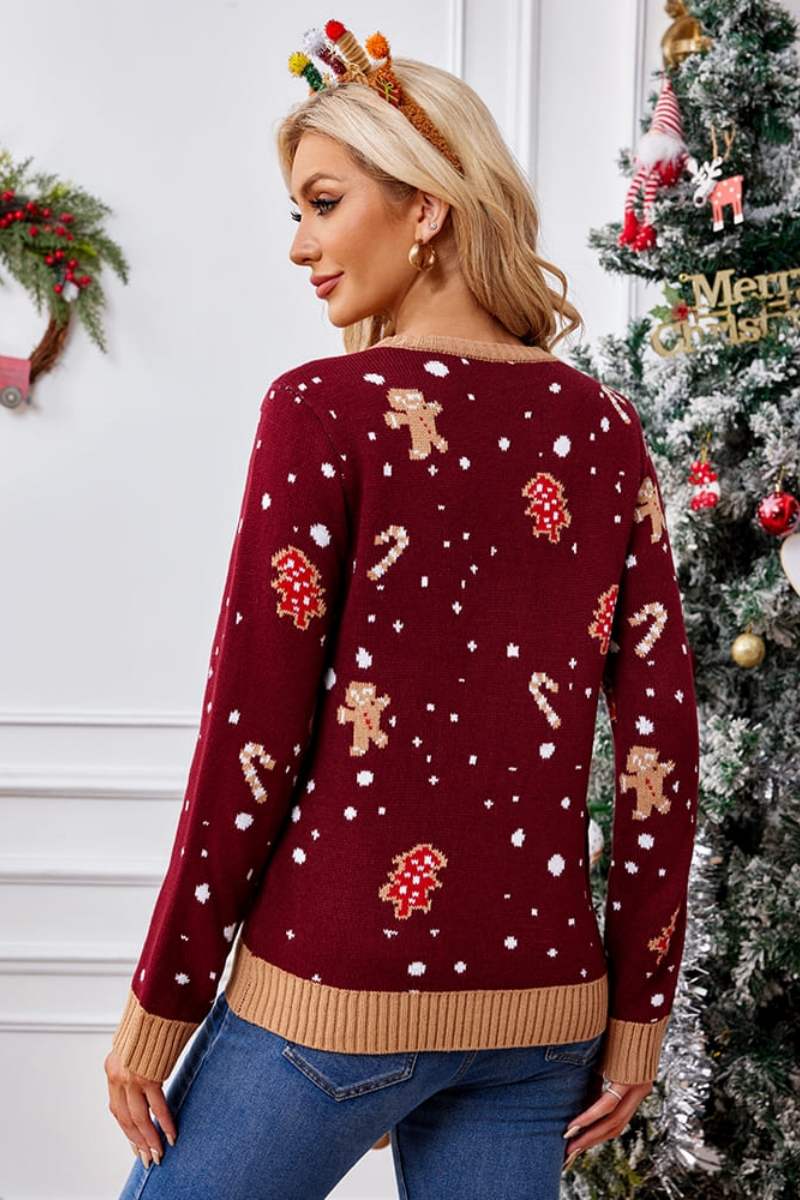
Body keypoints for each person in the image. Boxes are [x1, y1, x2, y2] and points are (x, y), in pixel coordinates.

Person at [106, 21, 700, 1200]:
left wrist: (159, 1006)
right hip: (543, 1015)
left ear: (425, 205)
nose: (299, 245)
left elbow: (250, 737)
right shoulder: (600, 426)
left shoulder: (321, 409)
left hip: (334, 994)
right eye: (295, 211)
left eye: (323, 203)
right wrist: (635, 1019)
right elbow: (659, 754)